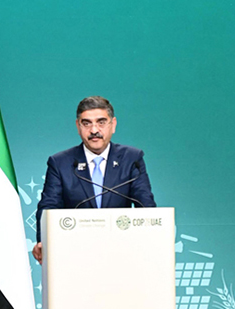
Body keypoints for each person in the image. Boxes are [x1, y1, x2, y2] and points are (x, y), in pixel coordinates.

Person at [32, 96, 156, 264]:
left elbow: (145, 204)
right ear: (78, 126)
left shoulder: (132, 159)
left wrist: (153, 240)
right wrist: (43, 241)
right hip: (75, 253)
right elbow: (49, 206)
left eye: (101, 122)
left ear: (113, 125)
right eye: (87, 123)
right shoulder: (61, 162)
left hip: (123, 252)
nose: (94, 130)